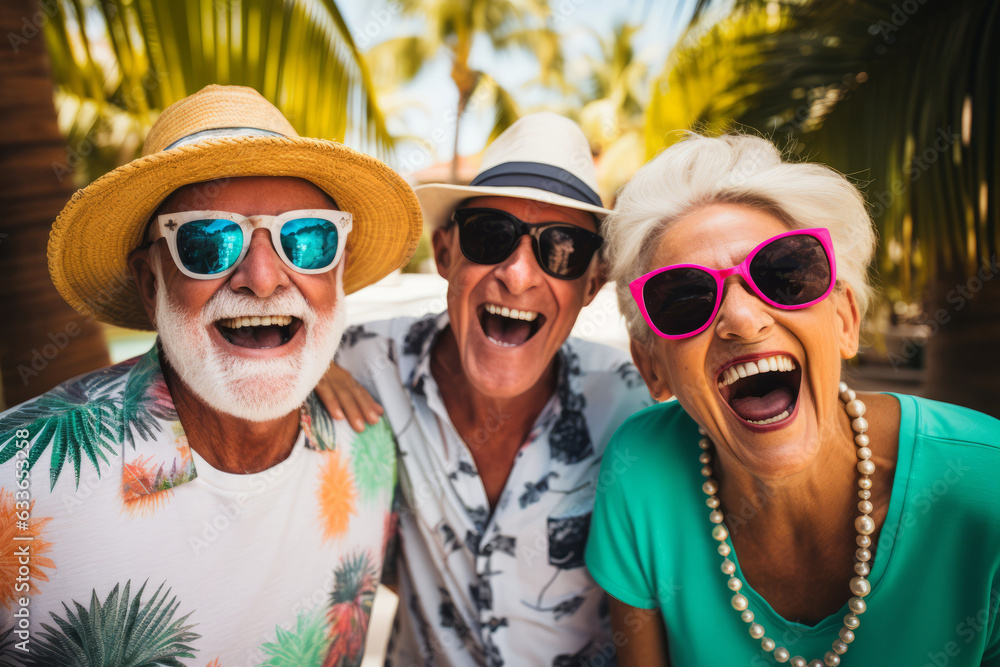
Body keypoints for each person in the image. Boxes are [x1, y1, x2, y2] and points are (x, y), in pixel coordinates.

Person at [0, 84, 422, 665]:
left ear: (338, 273)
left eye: (306, 238)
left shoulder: (370, 448)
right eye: (208, 240)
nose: (264, 278)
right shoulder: (19, 480)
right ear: (152, 285)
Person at [585, 132, 1000, 666]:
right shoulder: (639, 473)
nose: (742, 319)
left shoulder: (985, 488)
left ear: (845, 320)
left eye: (784, 273)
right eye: (685, 299)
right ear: (652, 368)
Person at [323, 113, 652, 666]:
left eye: (564, 249)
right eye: (490, 235)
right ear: (446, 254)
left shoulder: (626, 402)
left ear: (592, 285)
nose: (518, 275)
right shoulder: (361, 361)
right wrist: (309, 368)